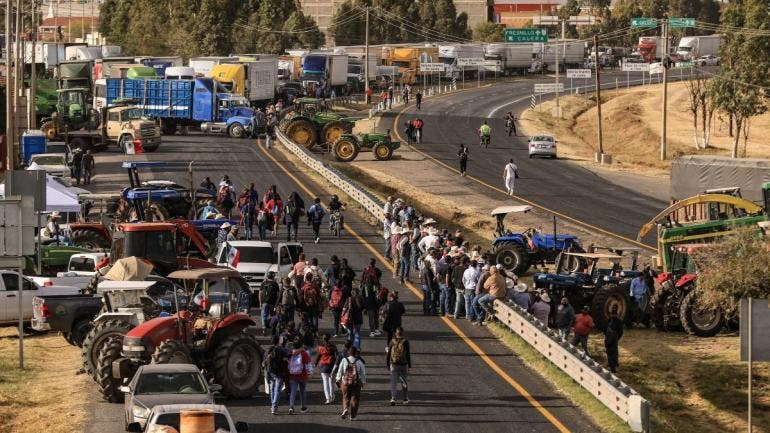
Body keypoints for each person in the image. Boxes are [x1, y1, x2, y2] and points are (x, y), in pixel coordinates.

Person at [336, 345, 366, 420]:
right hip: (356, 383)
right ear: (356, 353)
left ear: (348, 352)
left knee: (345, 396)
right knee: (355, 399)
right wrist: (363, 382)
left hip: (345, 382)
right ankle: (353, 416)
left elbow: (340, 371)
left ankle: (345, 408)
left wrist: (338, 379)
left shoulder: (344, 360)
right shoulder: (359, 361)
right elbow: (363, 373)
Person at [263, 335, 288, 415]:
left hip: (270, 372)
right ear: (278, 341)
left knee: (272, 389)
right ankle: (274, 406)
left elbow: (264, 360)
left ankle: (273, 405)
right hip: (279, 372)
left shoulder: (268, 350)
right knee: (277, 390)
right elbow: (289, 355)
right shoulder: (281, 350)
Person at [287, 339, 313, 414]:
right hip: (302, 375)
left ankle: (291, 407)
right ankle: (303, 407)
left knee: (293, 392)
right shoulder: (304, 353)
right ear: (300, 346)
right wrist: (310, 372)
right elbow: (308, 363)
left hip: (292, 375)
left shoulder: (290, 353)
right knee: (302, 391)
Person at [387, 326, 411, 405]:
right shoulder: (405, 342)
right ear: (402, 333)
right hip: (403, 365)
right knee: (404, 382)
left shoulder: (392, 341)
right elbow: (408, 354)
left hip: (394, 365)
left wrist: (388, 364)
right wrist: (409, 365)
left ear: (396, 333)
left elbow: (389, 354)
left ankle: (393, 398)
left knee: (393, 382)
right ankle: (405, 399)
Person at [360, 259, 382, 337]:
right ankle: (376, 329)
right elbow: (377, 292)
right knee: (376, 315)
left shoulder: (366, 286)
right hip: (375, 302)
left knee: (371, 317)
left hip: (369, 303)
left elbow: (364, 295)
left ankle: (372, 331)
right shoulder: (375, 286)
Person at [315, 334, 338, 405]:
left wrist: (315, 363)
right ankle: (332, 396)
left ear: (323, 338)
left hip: (323, 366)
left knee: (325, 382)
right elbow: (337, 355)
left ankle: (328, 398)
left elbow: (318, 356)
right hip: (332, 366)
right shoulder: (333, 346)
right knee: (331, 382)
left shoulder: (321, 347)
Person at [605, 307, 624, 373]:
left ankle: (613, 365)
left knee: (613, 352)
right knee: (608, 350)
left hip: (614, 338)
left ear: (616, 314)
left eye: (614, 314)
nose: (612, 315)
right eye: (612, 314)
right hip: (608, 337)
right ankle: (610, 363)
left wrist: (616, 338)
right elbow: (605, 328)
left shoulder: (618, 321)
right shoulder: (609, 320)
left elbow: (621, 332)